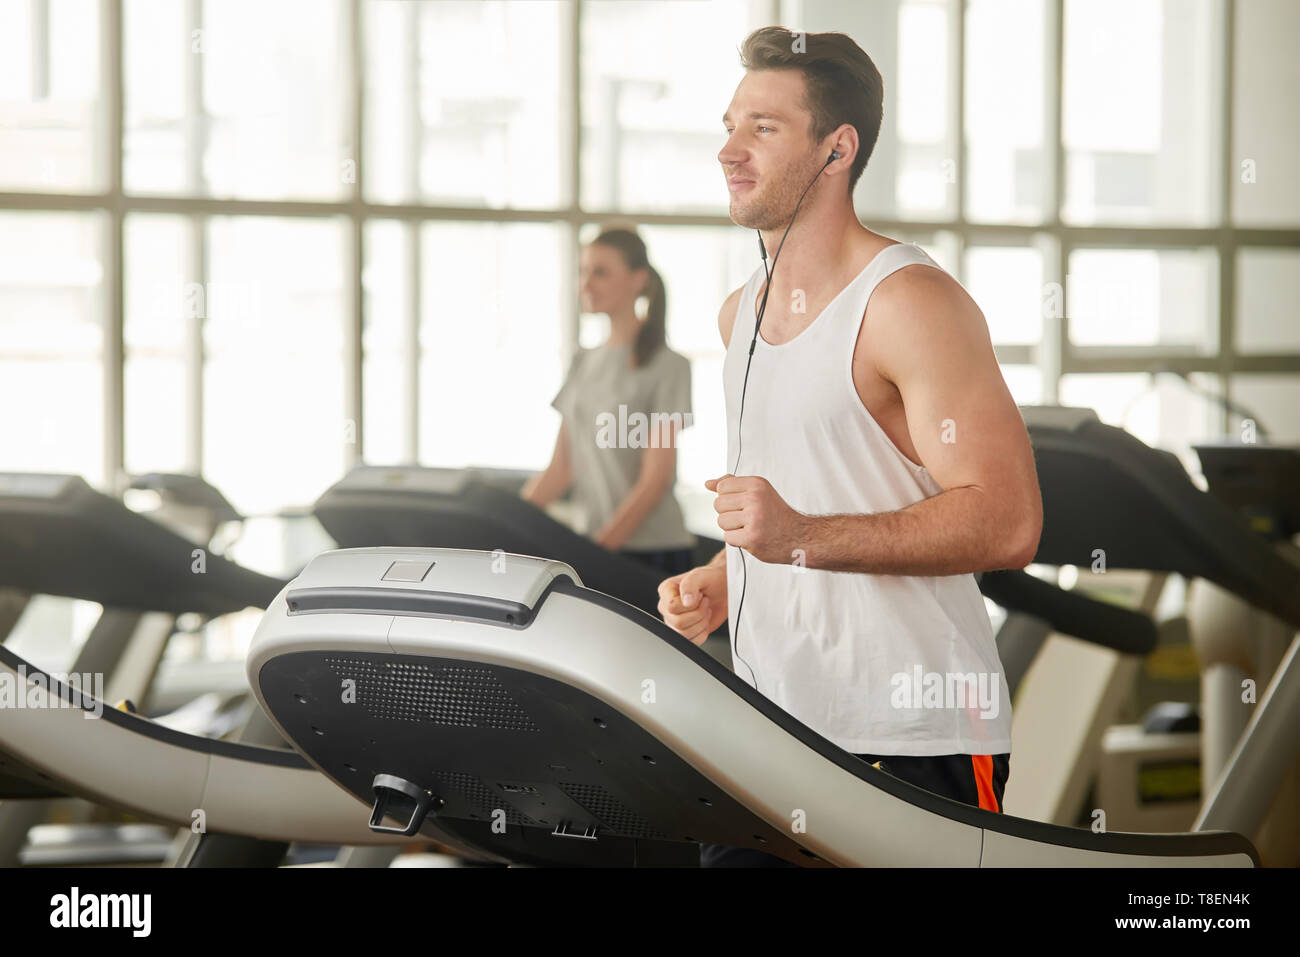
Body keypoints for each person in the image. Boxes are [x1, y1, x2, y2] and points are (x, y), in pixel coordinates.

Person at [656, 27, 1043, 866]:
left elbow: (1009, 522)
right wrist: (728, 580)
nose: (729, 149)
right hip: (767, 727)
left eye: (763, 127)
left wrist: (796, 537)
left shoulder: (910, 303)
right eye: (730, 124)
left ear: (838, 149)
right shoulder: (738, 317)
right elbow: (805, 501)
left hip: (912, 732)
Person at [522, 228, 697, 578]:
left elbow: (655, 481)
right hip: (592, 548)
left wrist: (596, 555)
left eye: (600, 273)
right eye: (582, 272)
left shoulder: (668, 365)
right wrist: (501, 528)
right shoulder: (582, 362)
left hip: (650, 553)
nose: (586, 284)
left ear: (638, 280)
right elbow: (560, 470)